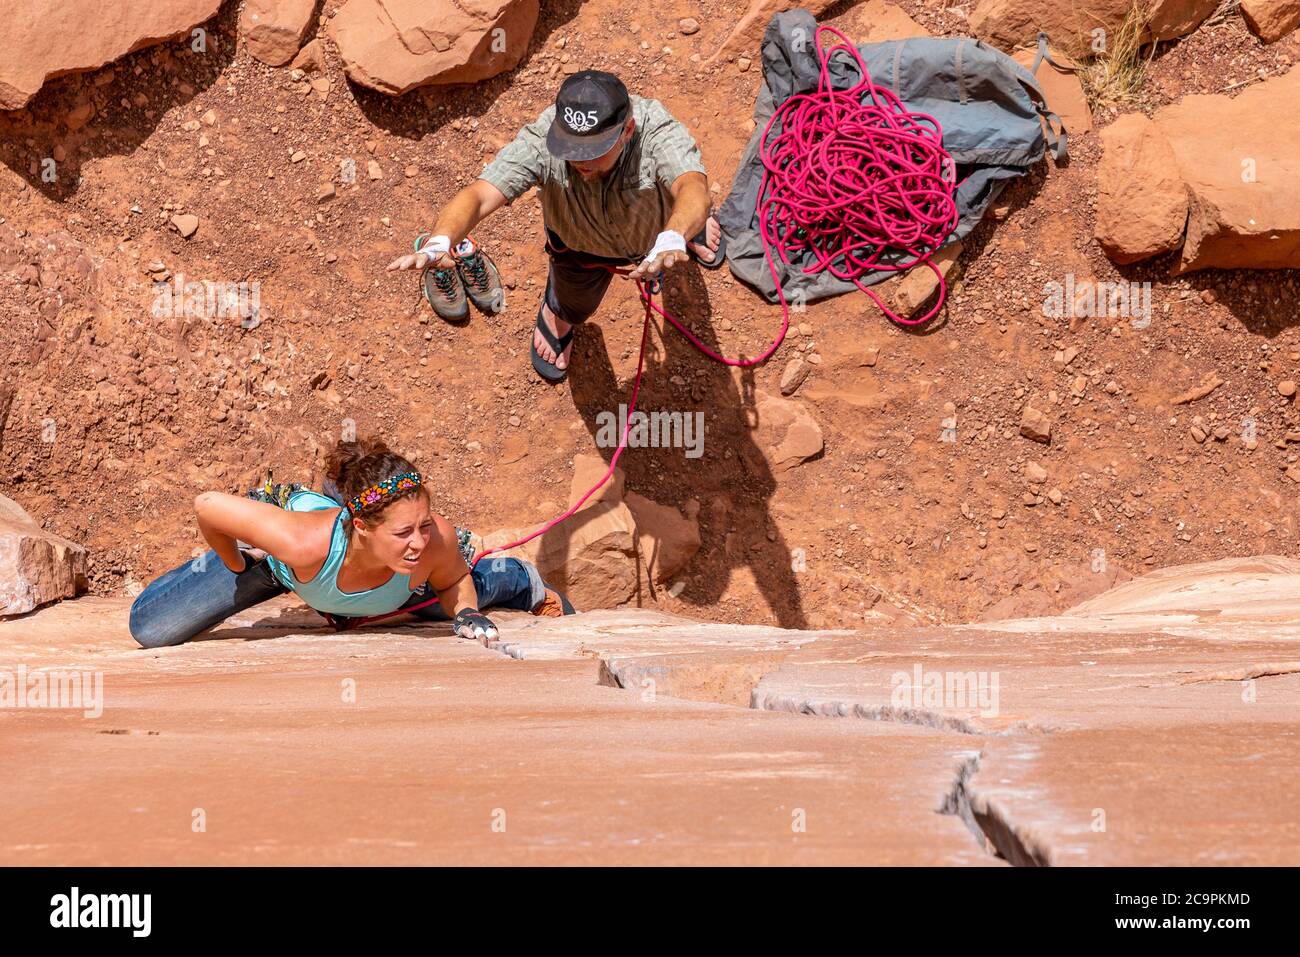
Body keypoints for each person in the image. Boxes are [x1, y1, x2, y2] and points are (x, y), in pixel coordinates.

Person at [387, 70, 725, 383]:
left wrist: (672, 235)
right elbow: (478, 195)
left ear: (627, 130)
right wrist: (440, 241)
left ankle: (684, 230)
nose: (580, 161)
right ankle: (558, 316)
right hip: (581, 248)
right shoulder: (541, 140)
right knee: (573, 303)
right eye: (571, 148)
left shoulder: (656, 131)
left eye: (595, 150)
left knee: (685, 208)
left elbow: (691, 185)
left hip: (657, 228)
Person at [128, 438, 571, 649]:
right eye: (403, 532)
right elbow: (207, 505)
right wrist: (236, 564)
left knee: (459, 590)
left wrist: (468, 612)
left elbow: (454, 580)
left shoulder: (434, 540)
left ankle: (515, 578)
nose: (419, 541)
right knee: (151, 630)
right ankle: (324, 499)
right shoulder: (300, 543)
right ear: (361, 526)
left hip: (391, 585)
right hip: (290, 571)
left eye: (423, 525)